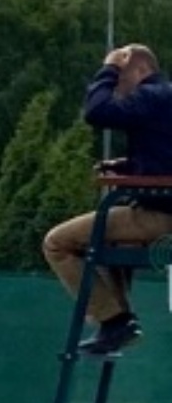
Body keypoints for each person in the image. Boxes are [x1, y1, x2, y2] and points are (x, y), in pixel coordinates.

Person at [43, 44, 172, 356]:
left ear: (139, 70)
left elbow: (97, 112)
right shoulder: (165, 99)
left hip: (160, 215)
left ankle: (114, 320)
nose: (117, 88)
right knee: (108, 240)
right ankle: (118, 322)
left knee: (57, 243)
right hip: (164, 206)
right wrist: (128, 167)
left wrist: (109, 68)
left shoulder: (151, 95)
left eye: (121, 79)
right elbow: (164, 157)